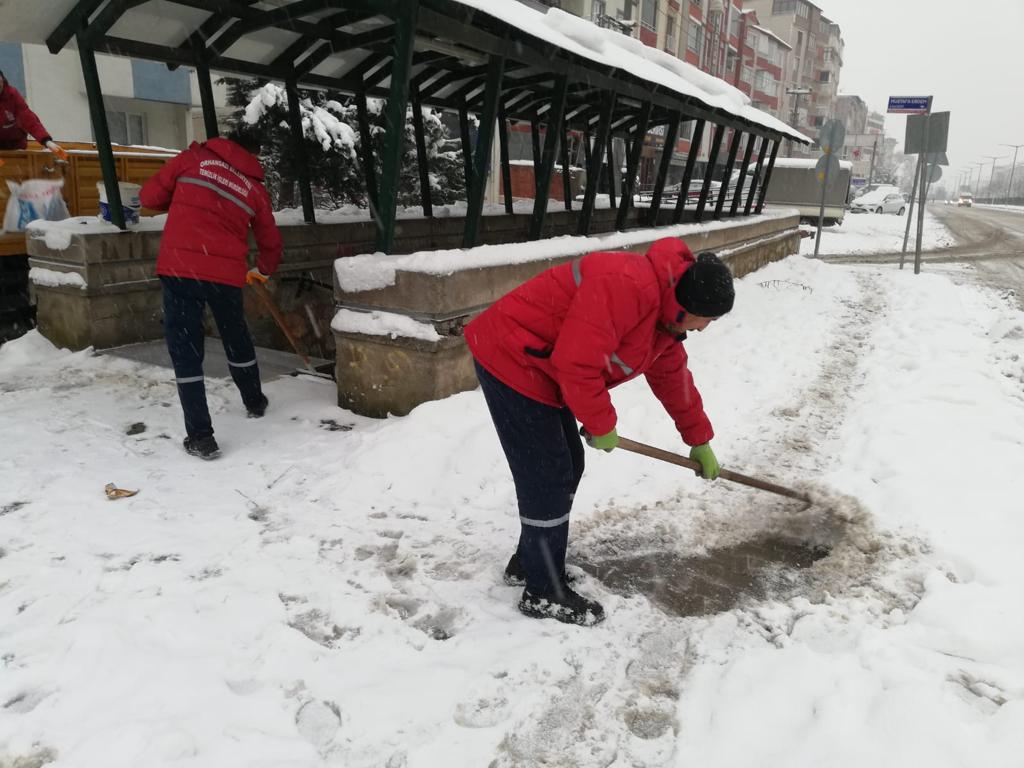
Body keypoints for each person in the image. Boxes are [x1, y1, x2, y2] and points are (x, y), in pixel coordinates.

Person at [465, 239, 735, 626]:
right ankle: (542, 590)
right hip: (512, 356)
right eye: (705, 319)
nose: (705, 328)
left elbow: (673, 378)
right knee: (547, 477)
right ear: (685, 307)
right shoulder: (625, 286)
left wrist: (699, 440)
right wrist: (601, 423)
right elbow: (577, 365)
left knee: (567, 466)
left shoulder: (664, 320)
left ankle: (531, 564)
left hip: (542, 367)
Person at [140, 129, 282, 459]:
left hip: (180, 268)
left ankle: (201, 436)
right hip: (225, 274)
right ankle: (254, 401)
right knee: (235, 335)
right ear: (252, 153)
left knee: (186, 349)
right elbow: (270, 241)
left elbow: (148, 198)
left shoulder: (192, 160)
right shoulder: (254, 187)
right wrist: (262, 269)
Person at [0, 69, 64, 155]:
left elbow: (28, 119)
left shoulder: (12, 95)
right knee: (2, 167)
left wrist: (46, 141)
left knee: (15, 167)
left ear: (3, 80)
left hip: (16, 146)